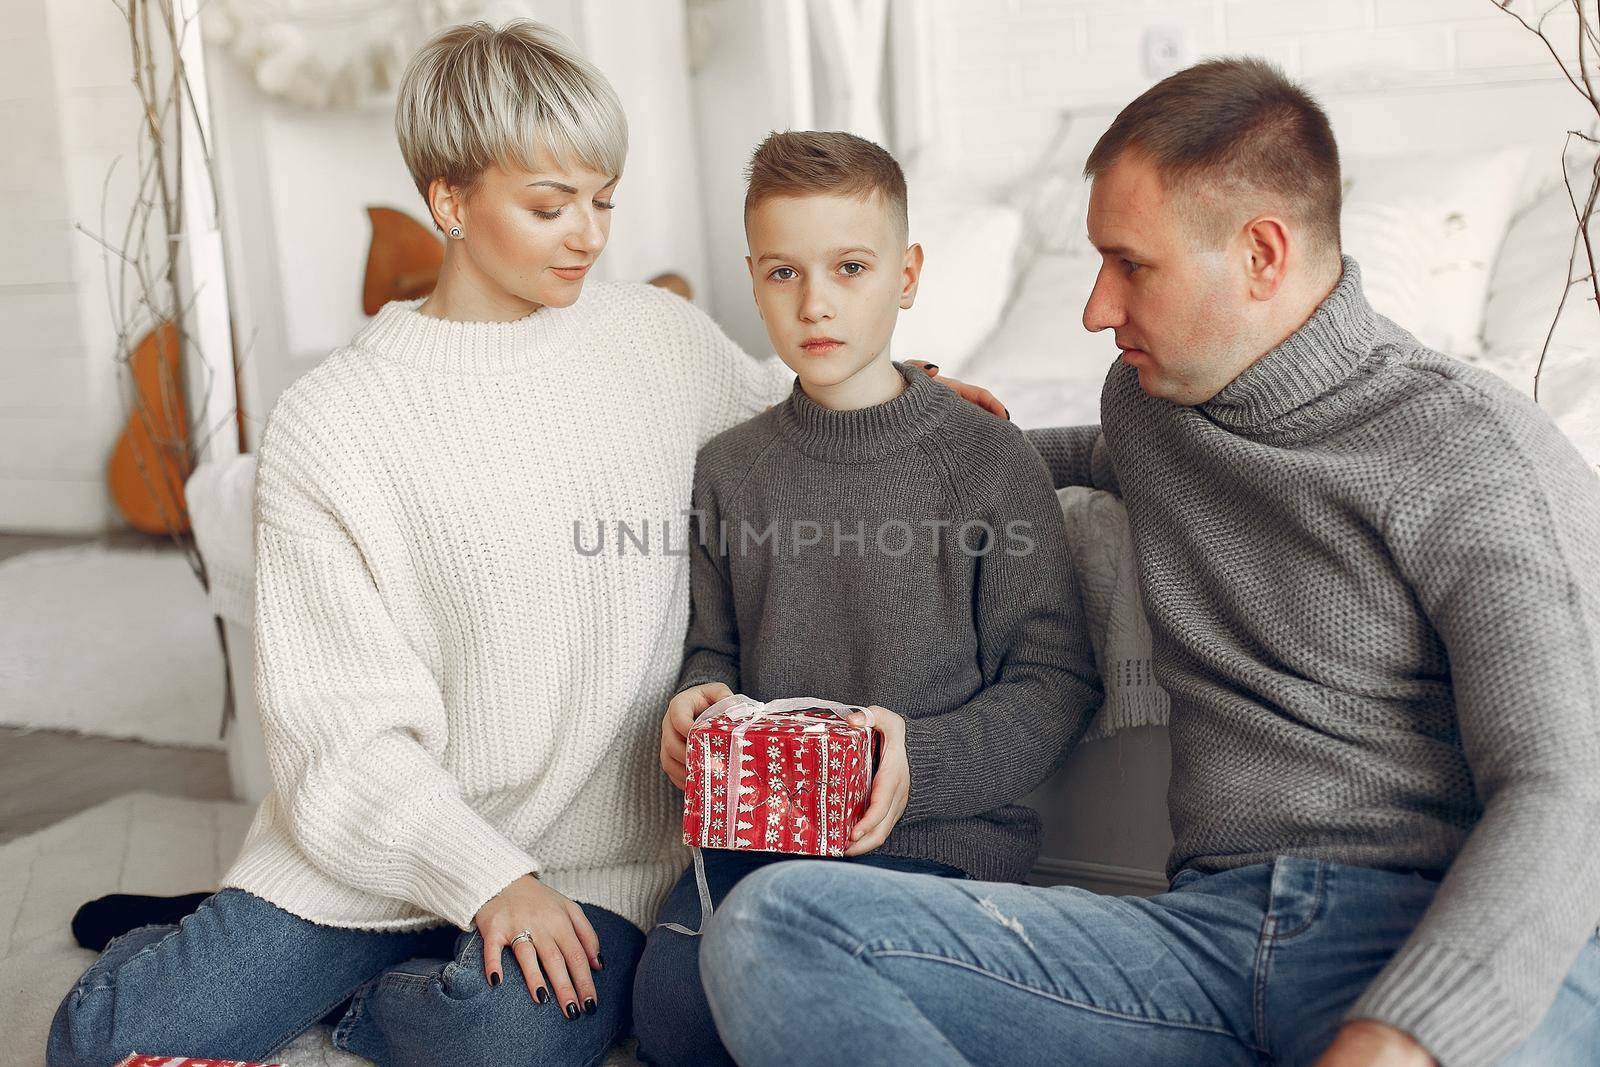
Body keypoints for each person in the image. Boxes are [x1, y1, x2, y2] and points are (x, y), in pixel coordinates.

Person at [43, 21, 1003, 1067]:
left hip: (588, 863)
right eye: (550, 207)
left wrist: (929, 400)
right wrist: (485, 879)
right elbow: (338, 733)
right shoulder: (332, 420)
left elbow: (811, 426)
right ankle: (263, 946)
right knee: (101, 1041)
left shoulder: (657, 340)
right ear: (448, 202)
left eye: (602, 201)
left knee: (503, 1038)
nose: (587, 235)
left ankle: (351, 1005)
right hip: (373, 856)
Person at [699, 57, 1600, 1067]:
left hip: (1436, 924)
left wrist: (1402, 1036)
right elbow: (1065, 459)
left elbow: (1567, 788)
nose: (1093, 307)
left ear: (1261, 253)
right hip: (1207, 941)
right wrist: (928, 434)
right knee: (774, 923)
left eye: (1131, 264)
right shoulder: (1149, 406)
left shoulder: (1476, 453)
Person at [631, 130, 1102, 1066]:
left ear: (908, 273)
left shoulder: (985, 458)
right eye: (782, 273)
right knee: (674, 1022)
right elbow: (716, 646)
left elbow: (1055, 680)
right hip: (757, 838)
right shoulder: (729, 468)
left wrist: (915, 760)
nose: (816, 304)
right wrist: (698, 701)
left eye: (850, 267)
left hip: (937, 847)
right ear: (754, 279)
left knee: (823, 1006)